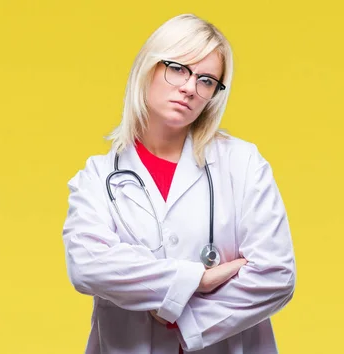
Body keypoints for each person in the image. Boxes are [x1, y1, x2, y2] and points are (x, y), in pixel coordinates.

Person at [61, 14, 296, 354]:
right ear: (150, 67)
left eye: (206, 80)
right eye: (178, 68)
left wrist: (185, 321)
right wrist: (196, 279)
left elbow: (276, 276)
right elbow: (87, 266)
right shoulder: (97, 177)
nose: (189, 88)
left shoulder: (242, 164)